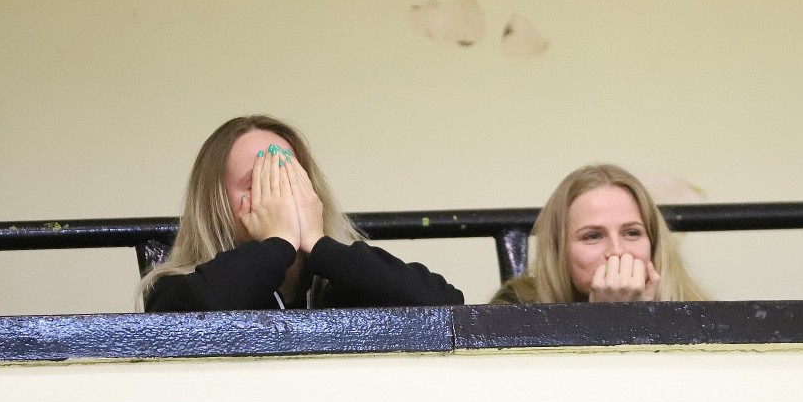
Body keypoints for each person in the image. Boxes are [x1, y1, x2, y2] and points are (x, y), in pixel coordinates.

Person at [140, 115, 464, 311]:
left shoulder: (346, 282)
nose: (279, 196)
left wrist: (318, 244)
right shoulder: (175, 288)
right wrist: (278, 243)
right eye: (258, 183)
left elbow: (444, 305)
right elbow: (192, 315)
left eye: (289, 178)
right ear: (216, 203)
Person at [490, 164, 706, 304]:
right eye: (592, 236)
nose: (617, 251)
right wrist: (604, 318)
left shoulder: (698, 315)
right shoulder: (516, 307)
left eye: (632, 233)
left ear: (654, 243)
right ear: (559, 249)